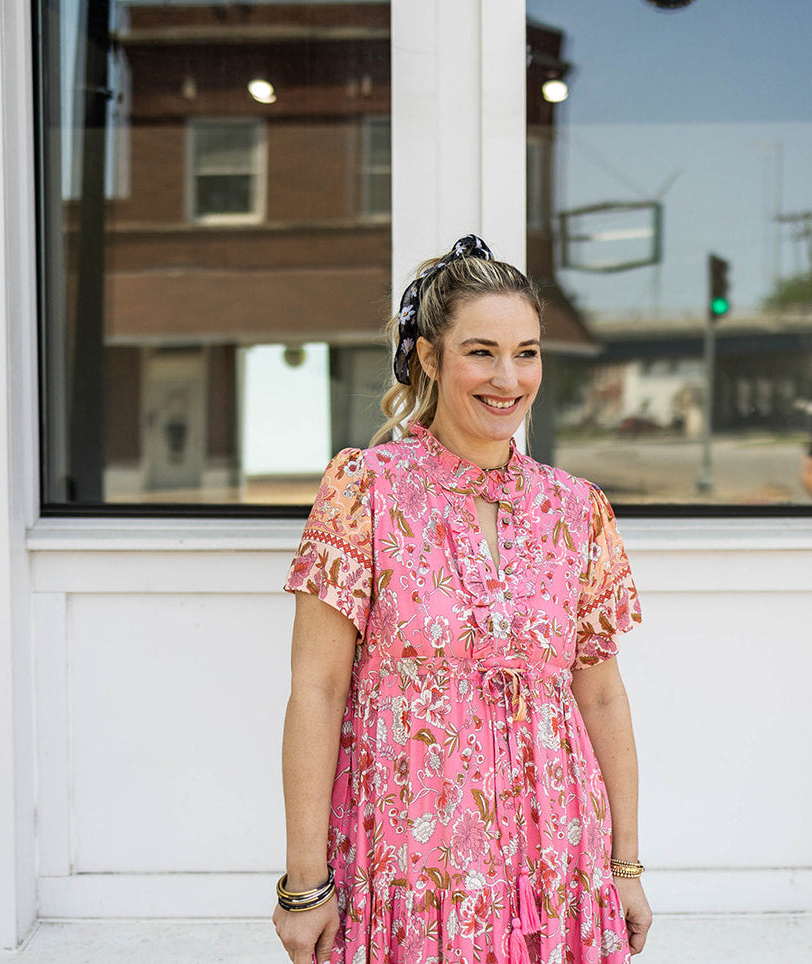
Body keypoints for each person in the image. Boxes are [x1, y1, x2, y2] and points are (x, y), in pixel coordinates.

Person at [275, 235, 652, 964]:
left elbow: (600, 695)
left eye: (527, 352)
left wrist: (624, 868)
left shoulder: (576, 509)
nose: (507, 378)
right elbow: (316, 689)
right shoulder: (365, 492)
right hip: (408, 863)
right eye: (481, 351)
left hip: (556, 861)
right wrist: (304, 884)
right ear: (428, 357)